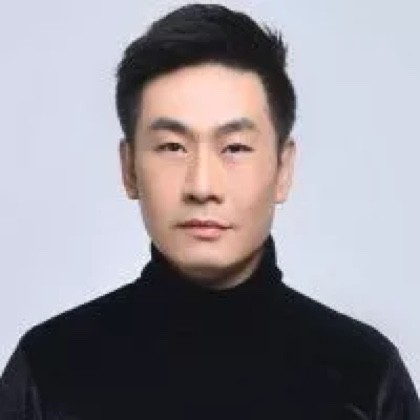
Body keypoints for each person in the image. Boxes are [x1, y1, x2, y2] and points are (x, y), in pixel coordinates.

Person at [0, 3, 418, 419]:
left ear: (283, 169)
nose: (202, 187)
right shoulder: (49, 370)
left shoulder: (365, 376)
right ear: (129, 168)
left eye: (234, 148)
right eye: (172, 147)